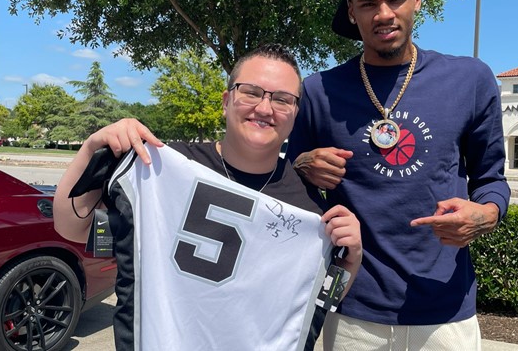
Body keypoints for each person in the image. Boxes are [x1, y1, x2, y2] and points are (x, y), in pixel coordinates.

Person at [53, 44, 362, 350]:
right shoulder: (160, 167)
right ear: (227, 101)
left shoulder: (309, 210)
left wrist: (350, 261)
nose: (265, 108)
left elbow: (319, 301)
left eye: (282, 100)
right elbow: (70, 226)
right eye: (251, 92)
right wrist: (94, 147)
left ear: (295, 114)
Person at [286, 0, 511, 350]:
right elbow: (284, 185)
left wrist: (486, 214)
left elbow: (491, 178)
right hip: (353, 307)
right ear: (352, 12)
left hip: (445, 309)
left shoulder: (470, 80)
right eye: (368, 3)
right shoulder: (319, 91)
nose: (384, 14)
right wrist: (301, 163)